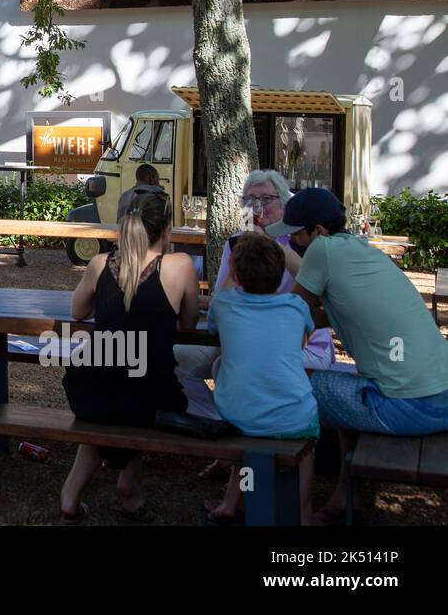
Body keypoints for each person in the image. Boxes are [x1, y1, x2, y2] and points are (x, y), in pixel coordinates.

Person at [271, 188, 448, 524]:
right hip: (440, 397)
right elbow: (329, 314)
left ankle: (279, 495)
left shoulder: (321, 250)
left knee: (290, 385)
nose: (293, 242)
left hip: (409, 407)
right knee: (344, 389)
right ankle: (344, 493)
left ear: (319, 231)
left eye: (297, 235)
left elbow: (292, 314)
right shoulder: (362, 251)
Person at [59, 192, 200, 523]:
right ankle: (129, 482)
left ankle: (71, 494)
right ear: (166, 230)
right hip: (147, 391)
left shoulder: (100, 264)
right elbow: (189, 323)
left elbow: (77, 311)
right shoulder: (180, 266)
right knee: (145, 401)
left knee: (110, 408)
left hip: (90, 386)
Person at [176, 170, 334, 426]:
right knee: (177, 357)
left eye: (267, 199)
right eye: (250, 200)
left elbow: (316, 286)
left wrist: (272, 241)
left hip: (302, 346)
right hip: (242, 336)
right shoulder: (236, 242)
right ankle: (221, 421)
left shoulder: (300, 241)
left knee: (230, 364)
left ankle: (249, 426)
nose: (258, 207)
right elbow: (223, 299)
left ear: (284, 203)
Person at [203, 234, 318, 524]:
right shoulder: (296, 306)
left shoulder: (223, 304)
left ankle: (233, 501)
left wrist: (232, 270)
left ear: (236, 273)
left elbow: (214, 328)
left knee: (240, 399)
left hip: (239, 415)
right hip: (295, 417)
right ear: (280, 273)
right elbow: (303, 342)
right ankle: (302, 513)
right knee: (306, 450)